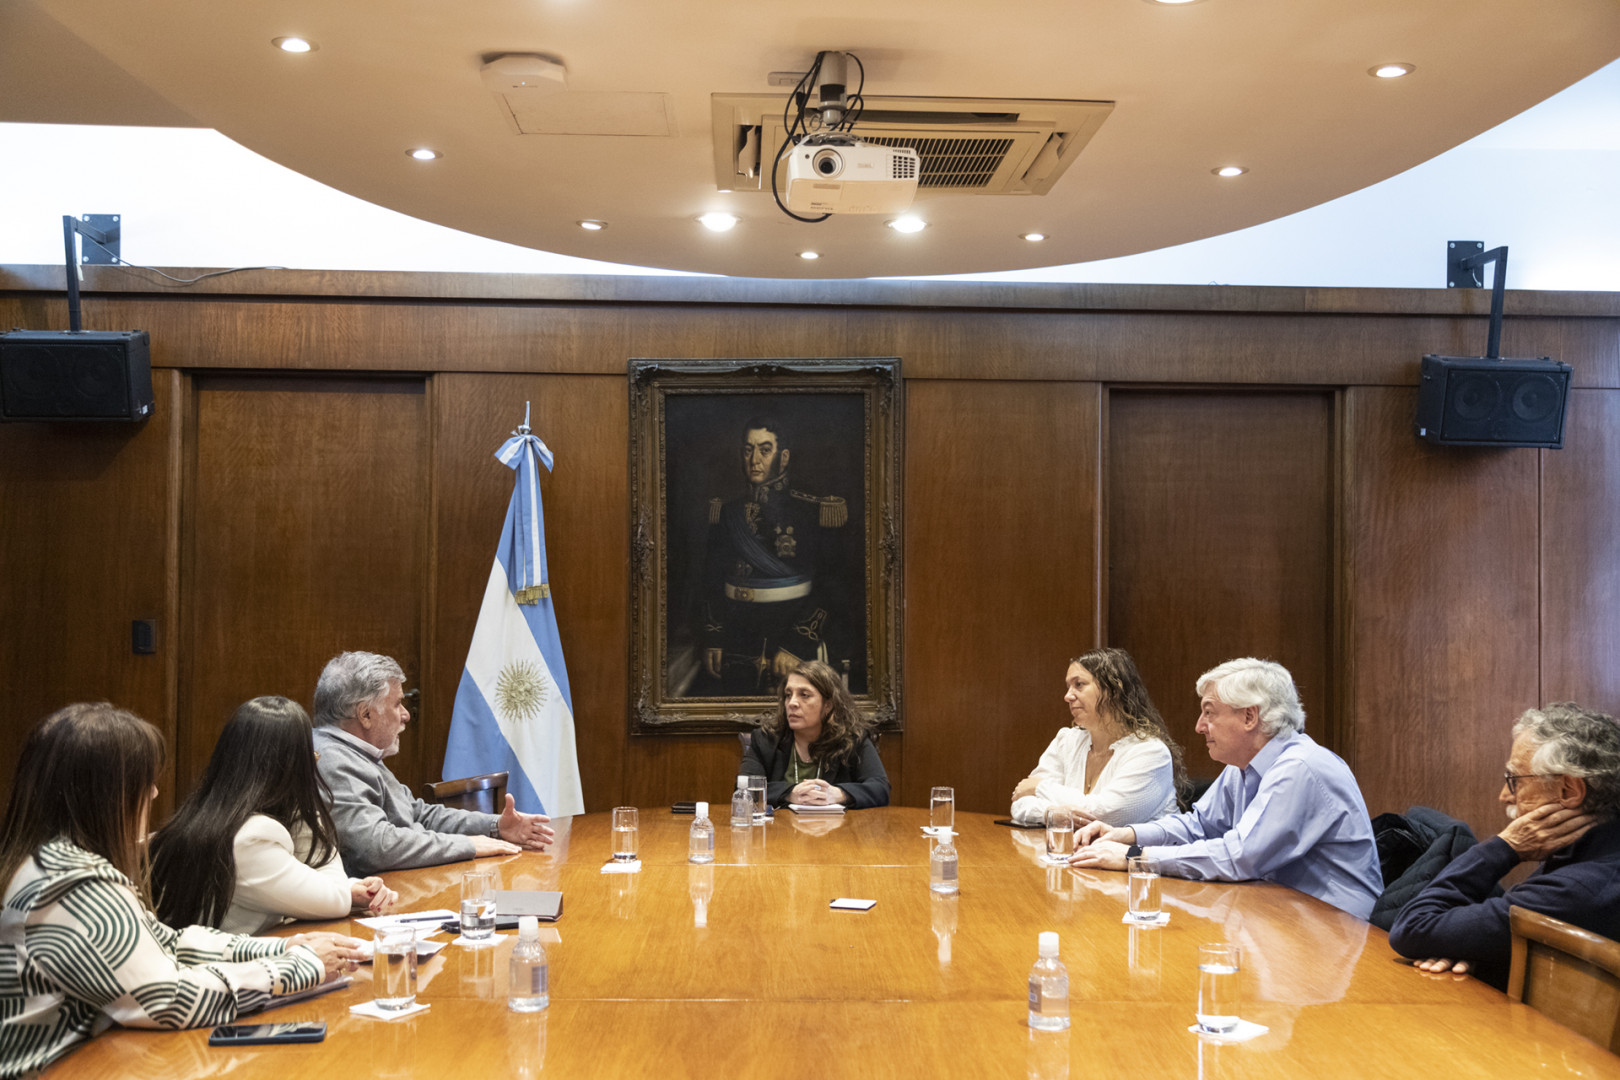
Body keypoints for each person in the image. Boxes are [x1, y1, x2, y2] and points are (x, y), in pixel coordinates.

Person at [0, 703, 364, 1077]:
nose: (155, 793)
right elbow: (167, 999)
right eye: (145, 782)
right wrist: (296, 968)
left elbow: (167, 943)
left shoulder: (50, 861)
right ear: (105, 795)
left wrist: (285, 946)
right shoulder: (74, 884)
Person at [1070, 657, 1382, 920]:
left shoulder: (1301, 767)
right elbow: (1199, 825)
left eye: (1209, 712)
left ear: (1249, 716)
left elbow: (1240, 856)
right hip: (1279, 911)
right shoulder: (1243, 765)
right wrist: (1128, 834)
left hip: (1336, 928)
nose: (1199, 726)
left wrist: (1134, 856)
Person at [1389, 702, 1620, 990]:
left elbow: (1413, 927)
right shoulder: (1591, 856)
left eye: (1514, 780)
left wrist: (1506, 846)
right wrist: (1477, 951)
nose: (1504, 796)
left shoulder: (1581, 887)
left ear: (1568, 791)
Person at [149, 695, 400, 935]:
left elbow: (314, 887)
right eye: (309, 759)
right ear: (294, 767)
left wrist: (350, 889)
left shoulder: (206, 817)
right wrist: (307, 802)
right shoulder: (252, 838)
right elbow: (333, 898)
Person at [312, 651, 555, 876]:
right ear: (365, 715)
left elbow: (418, 814)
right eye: (397, 704)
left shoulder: (357, 751)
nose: (406, 715)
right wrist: (468, 845)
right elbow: (376, 847)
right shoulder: (332, 761)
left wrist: (496, 826)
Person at [689, 416, 857, 695]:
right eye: (748, 449)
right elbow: (710, 582)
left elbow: (832, 586)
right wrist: (714, 637)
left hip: (791, 635)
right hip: (736, 640)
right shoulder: (727, 513)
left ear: (784, 456)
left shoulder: (813, 513)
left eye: (765, 450)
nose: (754, 459)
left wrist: (796, 644)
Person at [1010, 647, 1189, 826]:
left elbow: (1106, 816)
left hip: (1140, 854)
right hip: (1078, 851)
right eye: (1068, 687)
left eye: (1079, 684)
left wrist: (1039, 788)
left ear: (1114, 690)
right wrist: (1052, 814)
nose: (1067, 696)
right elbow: (1020, 802)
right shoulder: (1067, 741)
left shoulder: (1150, 752)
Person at [739, 660, 889, 808]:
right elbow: (743, 789)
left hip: (838, 830)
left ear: (828, 705)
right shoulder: (765, 739)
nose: (792, 703)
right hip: (780, 830)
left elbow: (880, 789)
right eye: (788, 695)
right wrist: (790, 794)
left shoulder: (853, 739)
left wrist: (838, 794)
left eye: (804, 695)